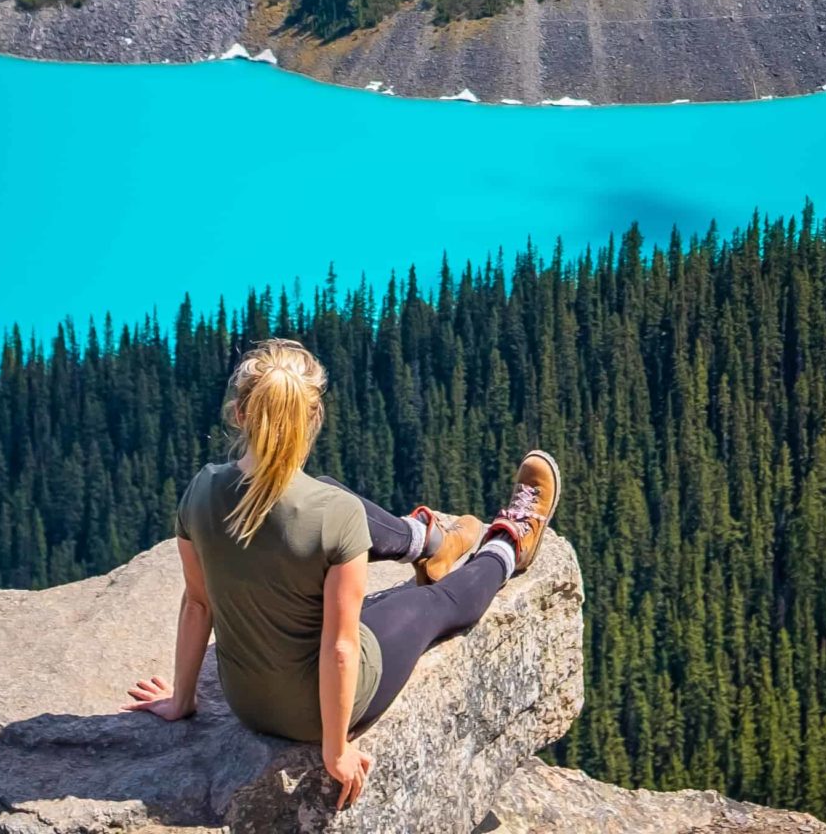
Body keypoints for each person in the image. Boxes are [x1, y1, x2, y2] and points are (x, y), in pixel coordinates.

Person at [123, 338, 563, 808]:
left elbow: (197, 602)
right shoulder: (335, 514)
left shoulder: (202, 489)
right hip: (319, 713)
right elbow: (339, 645)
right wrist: (334, 750)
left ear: (240, 414)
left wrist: (181, 701)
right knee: (430, 605)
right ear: (313, 418)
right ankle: (509, 542)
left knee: (334, 506)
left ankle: (424, 540)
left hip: (247, 704)